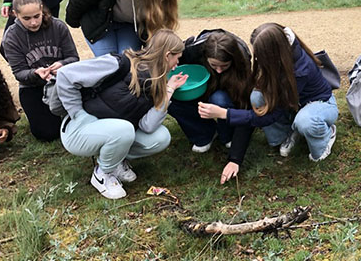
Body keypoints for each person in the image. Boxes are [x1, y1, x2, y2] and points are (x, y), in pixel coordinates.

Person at [56, 29, 188, 200]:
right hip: (79, 129)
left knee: (161, 137)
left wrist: (169, 90)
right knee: (125, 129)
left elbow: (147, 126)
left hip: (113, 131)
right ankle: (102, 173)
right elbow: (64, 75)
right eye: (177, 58)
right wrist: (79, 114)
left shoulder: (157, 81)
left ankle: (115, 160)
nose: (177, 64)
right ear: (167, 55)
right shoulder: (119, 63)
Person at [198, 23, 338, 183]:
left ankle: (327, 135)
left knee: (308, 129)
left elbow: (267, 116)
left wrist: (223, 113)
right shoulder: (283, 57)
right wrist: (235, 159)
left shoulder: (299, 71)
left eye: (260, 55)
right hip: (294, 105)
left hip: (320, 104)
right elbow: (264, 107)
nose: (256, 59)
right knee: (257, 98)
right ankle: (291, 131)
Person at [168, 30, 254, 171]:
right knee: (170, 99)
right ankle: (203, 133)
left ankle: (227, 135)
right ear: (205, 56)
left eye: (224, 66)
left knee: (219, 99)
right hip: (201, 85)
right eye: (214, 65)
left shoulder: (242, 59)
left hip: (226, 92)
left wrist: (235, 158)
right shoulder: (191, 51)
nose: (219, 70)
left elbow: (246, 108)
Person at [2, 0, 79, 141]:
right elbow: (19, 73)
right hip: (33, 88)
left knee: (77, 122)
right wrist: (35, 73)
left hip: (63, 83)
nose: (34, 22)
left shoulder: (58, 26)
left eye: (37, 16)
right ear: (15, 15)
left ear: (42, 9)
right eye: (27, 18)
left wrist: (62, 64)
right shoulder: (11, 37)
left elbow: (73, 58)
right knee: (47, 134)